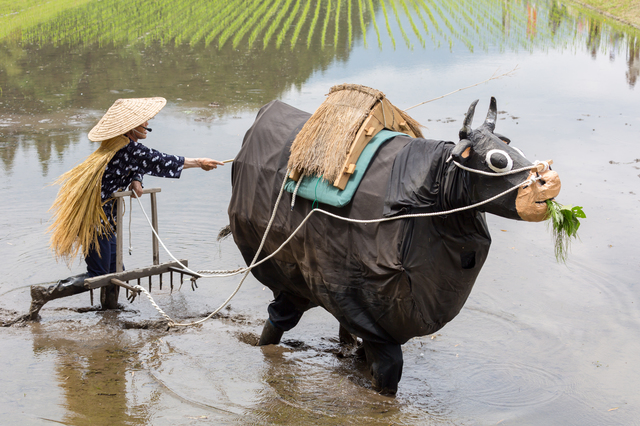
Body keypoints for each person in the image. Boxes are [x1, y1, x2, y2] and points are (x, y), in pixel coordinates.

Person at [28, 97, 223, 319]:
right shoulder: (127, 150)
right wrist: (199, 162)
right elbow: (159, 161)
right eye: (142, 123)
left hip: (106, 220)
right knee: (98, 275)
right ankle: (43, 294)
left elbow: (135, 165)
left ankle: (109, 313)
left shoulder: (118, 146)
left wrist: (136, 179)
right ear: (130, 128)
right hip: (94, 220)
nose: (147, 126)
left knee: (115, 270)